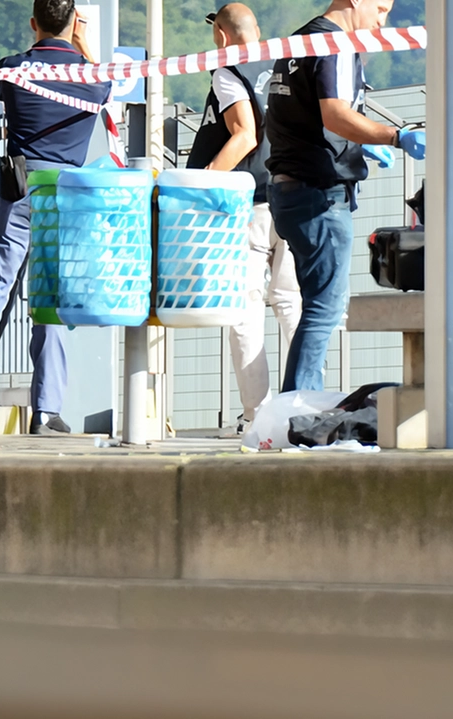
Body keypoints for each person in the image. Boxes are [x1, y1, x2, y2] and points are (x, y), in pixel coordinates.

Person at [266, 0, 424, 391]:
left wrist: (355, 145)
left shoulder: (300, 40)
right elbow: (335, 113)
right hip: (318, 193)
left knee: (315, 305)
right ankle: (299, 410)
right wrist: (395, 136)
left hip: (288, 187)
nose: (383, 20)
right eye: (381, 8)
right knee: (324, 308)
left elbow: (293, 116)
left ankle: (298, 404)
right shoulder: (336, 44)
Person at [0, 0, 110, 434]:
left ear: (33, 23)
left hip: (19, 189)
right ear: (73, 23)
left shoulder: (12, 68)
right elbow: (104, 84)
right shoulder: (89, 77)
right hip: (66, 197)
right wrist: (81, 41)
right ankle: (46, 410)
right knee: (50, 304)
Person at [186, 4, 299, 433]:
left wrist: (204, 181)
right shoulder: (280, 64)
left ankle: (258, 415)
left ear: (221, 37)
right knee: (292, 304)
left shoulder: (226, 71)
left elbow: (244, 135)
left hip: (248, 204)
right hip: (290, 196)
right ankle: (301, 404)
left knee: (245, 310)